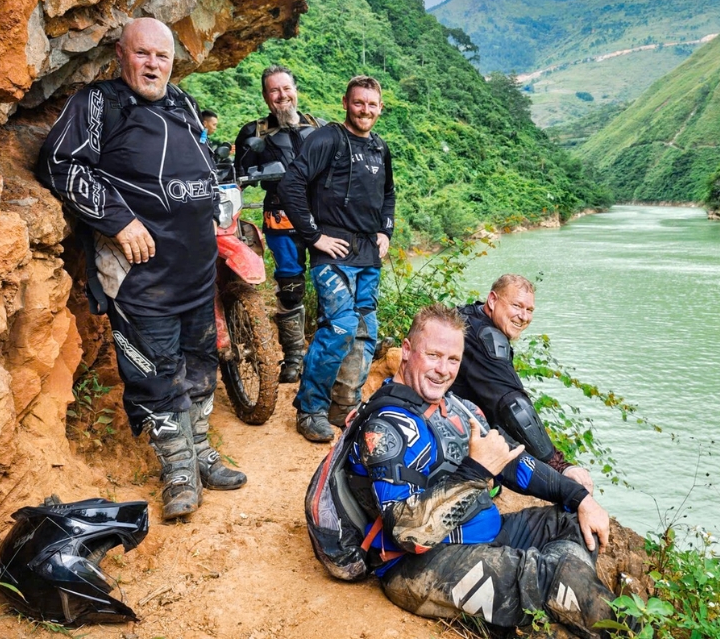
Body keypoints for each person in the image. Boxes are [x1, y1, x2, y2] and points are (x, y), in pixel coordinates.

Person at [36, 17, 246, 520]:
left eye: (163, 57)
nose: (154, 64)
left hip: (196, 272)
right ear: (121, 55)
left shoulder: (184, 104)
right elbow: (60, 163)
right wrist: (118, 220)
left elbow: (207, 166)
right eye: (143, 54)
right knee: (154, 374)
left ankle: (201, 454)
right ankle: (177, 468)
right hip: (141, 277)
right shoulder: (99, 103)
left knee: (200, 366)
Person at [345, 304, 627, 638]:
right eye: (433, 355)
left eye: (453, 360)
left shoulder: (459, 408)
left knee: (570, 523)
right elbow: (408, 533)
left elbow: (515, 462)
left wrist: (579, 498)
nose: (442, 370)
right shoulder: (385, 429)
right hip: (418, 566)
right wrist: (476, 471)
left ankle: (547, 609)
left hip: (487, 535)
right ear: (406, 351)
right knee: (553, 576)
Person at [280, 75, 394, 442]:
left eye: (372, 104)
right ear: (346, 102)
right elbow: (291, 185)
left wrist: (385, 232)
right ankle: (310, 408)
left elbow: (388, 194)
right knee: (340, 327)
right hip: (334, 256)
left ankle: (343, 405)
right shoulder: (327, 138)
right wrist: (314, 236)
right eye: (359, 103)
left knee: (365, 333)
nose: (366, 110)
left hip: (368, 256)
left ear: (380, 108)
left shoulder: (380, 147)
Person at [453, 275, 595, 492]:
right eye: (517, 306)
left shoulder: (467, 316)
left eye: (529, 310)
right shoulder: (487, 339)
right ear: (492, 300)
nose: (523, 316)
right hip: (452, 430)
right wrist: (559, 465)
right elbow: (515, 408)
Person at [234, 66, 326, 383]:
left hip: (323, 223)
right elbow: (238, 180)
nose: (282, 96)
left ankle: (325, 358)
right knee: (290, 289)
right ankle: (294, 358)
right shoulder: (252, 133)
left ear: (295, 89)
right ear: (265, 96)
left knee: (330, 286)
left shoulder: (320, 127)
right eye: (274, 91)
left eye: (286, 88)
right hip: (281, 222)